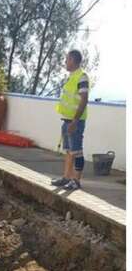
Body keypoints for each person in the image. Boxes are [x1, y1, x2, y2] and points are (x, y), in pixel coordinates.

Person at [51, 50, 89, 190]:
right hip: (67, 120)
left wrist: (75, 121)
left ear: (73, 60)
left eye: (66, 59)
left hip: (75, 122)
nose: (65, 62)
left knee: (77, 151)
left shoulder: (82, 77)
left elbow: (84, 100)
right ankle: (66, 177)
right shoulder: (72, 77)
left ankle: (76, 181)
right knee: (68, 151)